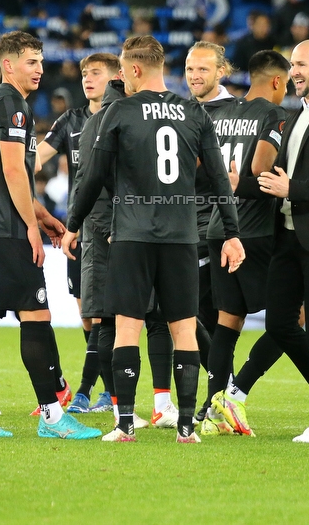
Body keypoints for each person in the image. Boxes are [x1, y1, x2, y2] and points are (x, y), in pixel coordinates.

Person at [63, 35, 245, 443]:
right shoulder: (193, 112)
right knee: (183, 328)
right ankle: (185, 428)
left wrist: (73, 224)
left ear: (135, 69)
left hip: (133, 236)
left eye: (124, 70)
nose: (122, 78)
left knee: (127, 327)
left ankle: (125, 424)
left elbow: (92, 178)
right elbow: (218, 178)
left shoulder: (120, 111)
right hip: (181, 238)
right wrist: (232, 233)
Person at [0, 34, 98, 440]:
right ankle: (53, 417)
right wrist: (31, 228)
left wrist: (43, 215)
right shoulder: (11, 103)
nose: (39, 68)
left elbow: (0, 178)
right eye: (31, 61)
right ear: (8, 65)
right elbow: (15, 171)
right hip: (5, 230)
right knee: (36, 316)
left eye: (40, 61)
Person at [226, 39, 309, 444]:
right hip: (288, 236)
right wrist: (241, 186)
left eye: (301, 64)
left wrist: (293, 189)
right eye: (292, 65)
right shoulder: (294, 116)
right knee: (281, 323)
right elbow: (277, 181)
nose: (294, 72)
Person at [197, 50, 289, 436]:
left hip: (220, 229)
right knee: (293, 318)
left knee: (227, 323)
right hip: (254, 231)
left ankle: (212, 408)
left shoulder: (224, 114)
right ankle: (236, 392)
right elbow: (258, 171)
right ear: (276, 82)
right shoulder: (273, 114)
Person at [35, 53, 114, 414]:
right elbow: (34, 159)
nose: (87, 79)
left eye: (96, 73)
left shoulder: (123, 116)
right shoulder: (71, 120)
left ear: (115, 77)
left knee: (103, 314)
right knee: (87, 315)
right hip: (77, 229)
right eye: (84, 73)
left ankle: (86, 391)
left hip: (112, 228)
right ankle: (106, 391)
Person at [185, 41, 238, 409]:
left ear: (221, 71)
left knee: (213, 316)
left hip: (218, 226)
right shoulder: (179, 110)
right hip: (181, 225)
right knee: (187, 316)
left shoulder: (237, 113)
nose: (194, 76)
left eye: (202, 69)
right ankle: (220, 394)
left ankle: (220, 393)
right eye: (189, 69)